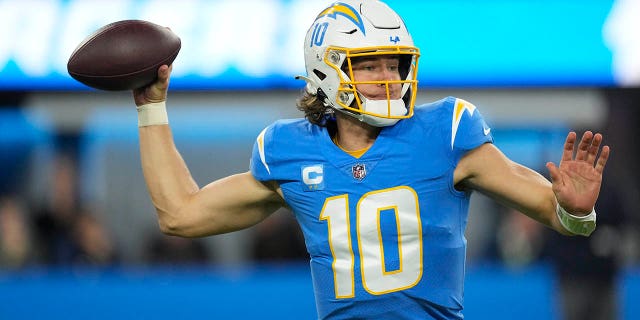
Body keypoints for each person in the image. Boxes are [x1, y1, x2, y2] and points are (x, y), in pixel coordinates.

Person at [131, 1, 610, 319]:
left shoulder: (447, 132)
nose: (387, 77)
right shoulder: (289, 151)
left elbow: (557, 215)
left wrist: (576, 209)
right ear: (326, 67)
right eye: (368, 64)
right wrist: (151, 106)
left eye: (393, 64)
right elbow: (181, 214)